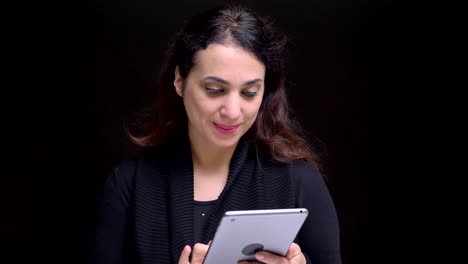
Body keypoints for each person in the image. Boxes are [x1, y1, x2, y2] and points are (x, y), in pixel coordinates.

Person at [94, 4, 341, 264]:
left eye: (249, 92)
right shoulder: (129, 185)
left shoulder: (300, 182)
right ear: (180, 80)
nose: (233, 111)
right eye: (214, 89)